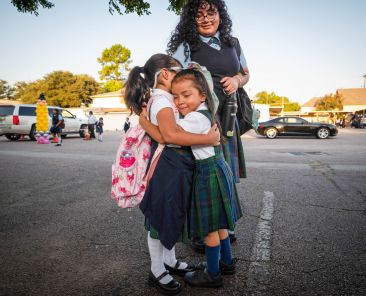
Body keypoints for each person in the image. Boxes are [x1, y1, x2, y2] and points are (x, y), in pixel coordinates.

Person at [124, 53, 220, 295]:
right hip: (169, 166)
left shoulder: (167, 98)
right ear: (165, 73)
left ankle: (169, 261)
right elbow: (169, 136)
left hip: (175, 165)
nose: (183, 74)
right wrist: (207, 138)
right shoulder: (163, 101)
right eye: (178, 69)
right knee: (160, 218)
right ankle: (156, 271)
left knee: (171, 215)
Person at [167, 0, 248, 246]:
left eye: (211, 12)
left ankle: (225, 227)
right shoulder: (186, 45)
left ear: (220, 15)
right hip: (200, 119)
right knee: (202, 174)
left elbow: (246, 73)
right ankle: (205, 232)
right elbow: (171, 77)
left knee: (225, 173)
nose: (205, 18)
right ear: (192, 19)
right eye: (199, 14)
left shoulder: (232, 43)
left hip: (229, 117)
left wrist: (236, 80)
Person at [172, 69, 242, 287]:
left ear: (202, 95)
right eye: (175, 97)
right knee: (220, 223)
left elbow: (170, 134)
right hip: (219, 168)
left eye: (186, 95)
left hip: (208, 173)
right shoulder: (206, 110)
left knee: (210, 228)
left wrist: (146, 120)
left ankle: (212, 274)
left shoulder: (193, 118)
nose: (179, 101)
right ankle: (226, 262)